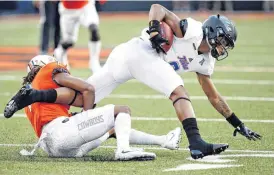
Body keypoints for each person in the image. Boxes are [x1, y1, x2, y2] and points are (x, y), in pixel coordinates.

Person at [5, 4, 262, 159]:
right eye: (223, 41)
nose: (222, 47)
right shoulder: (191, 29)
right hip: (137, 52)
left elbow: (214, 96)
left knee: (86, 95)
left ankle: (35, 96)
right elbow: (158, 9)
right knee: (178, 91)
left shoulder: (206, 62)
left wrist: (237, 123)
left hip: (132, 58)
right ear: (213, 32)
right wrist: (153, 27)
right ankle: (196, 144)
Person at [4, 55, 182, 159]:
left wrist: (80, 116)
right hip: (61, 133)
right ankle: (123, 149)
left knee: (115, 127)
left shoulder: (33, 94)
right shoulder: (48, 72)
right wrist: (86, 117)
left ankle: (164, 141)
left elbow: (75, 99)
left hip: (51, 147)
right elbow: (88, 89)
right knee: (122, 110)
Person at [53, 0, 102, 72]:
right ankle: (60, 51)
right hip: (68, 10)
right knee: (69, 42)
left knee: (94, 29)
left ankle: (94, 62)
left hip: (86, 6)